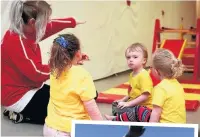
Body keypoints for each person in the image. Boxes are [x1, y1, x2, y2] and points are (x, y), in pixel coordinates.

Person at [1, 0, 91, 124]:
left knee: (69, 99)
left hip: (32, 87)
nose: (48, 23)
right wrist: (67, 63)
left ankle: (20, 112)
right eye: (45, 21)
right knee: (63, 112)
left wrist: (72, 22)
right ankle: (18, 114)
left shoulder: (28, 30)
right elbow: (36, 73)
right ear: (33, 23)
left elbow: (50, 27)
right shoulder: (16, 41)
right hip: (19, 96)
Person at [43, 33, 103, 137]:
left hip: (49, 129)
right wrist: (102, 127)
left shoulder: (54, 70)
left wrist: (75, 60)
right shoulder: (82, 75)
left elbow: (66, 68)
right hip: (72, 131)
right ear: (78, 54)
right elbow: (91, 107)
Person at [106, 49, 186, 124]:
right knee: (136, 110)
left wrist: (150, 130)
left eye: (151, 67)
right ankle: (118, 118)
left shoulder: (160, 88)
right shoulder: (177, 84)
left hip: (164, 127)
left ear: (156, 71)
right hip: (181, 125)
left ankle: (115, 120)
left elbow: (156, 112)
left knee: (138, 110)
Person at [105, 43, 153, 122]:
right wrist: (123, 100)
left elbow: (145, 96)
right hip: (134, 105)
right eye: (128, 57)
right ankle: (122, 117)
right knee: (115, 104)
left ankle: (116, 119)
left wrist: (128, 104)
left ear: (144, 60)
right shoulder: (132, 74)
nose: (131, 60)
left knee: (135, 111)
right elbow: (131, 93)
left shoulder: (144, 76)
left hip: (144, 109)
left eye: (135, 57)